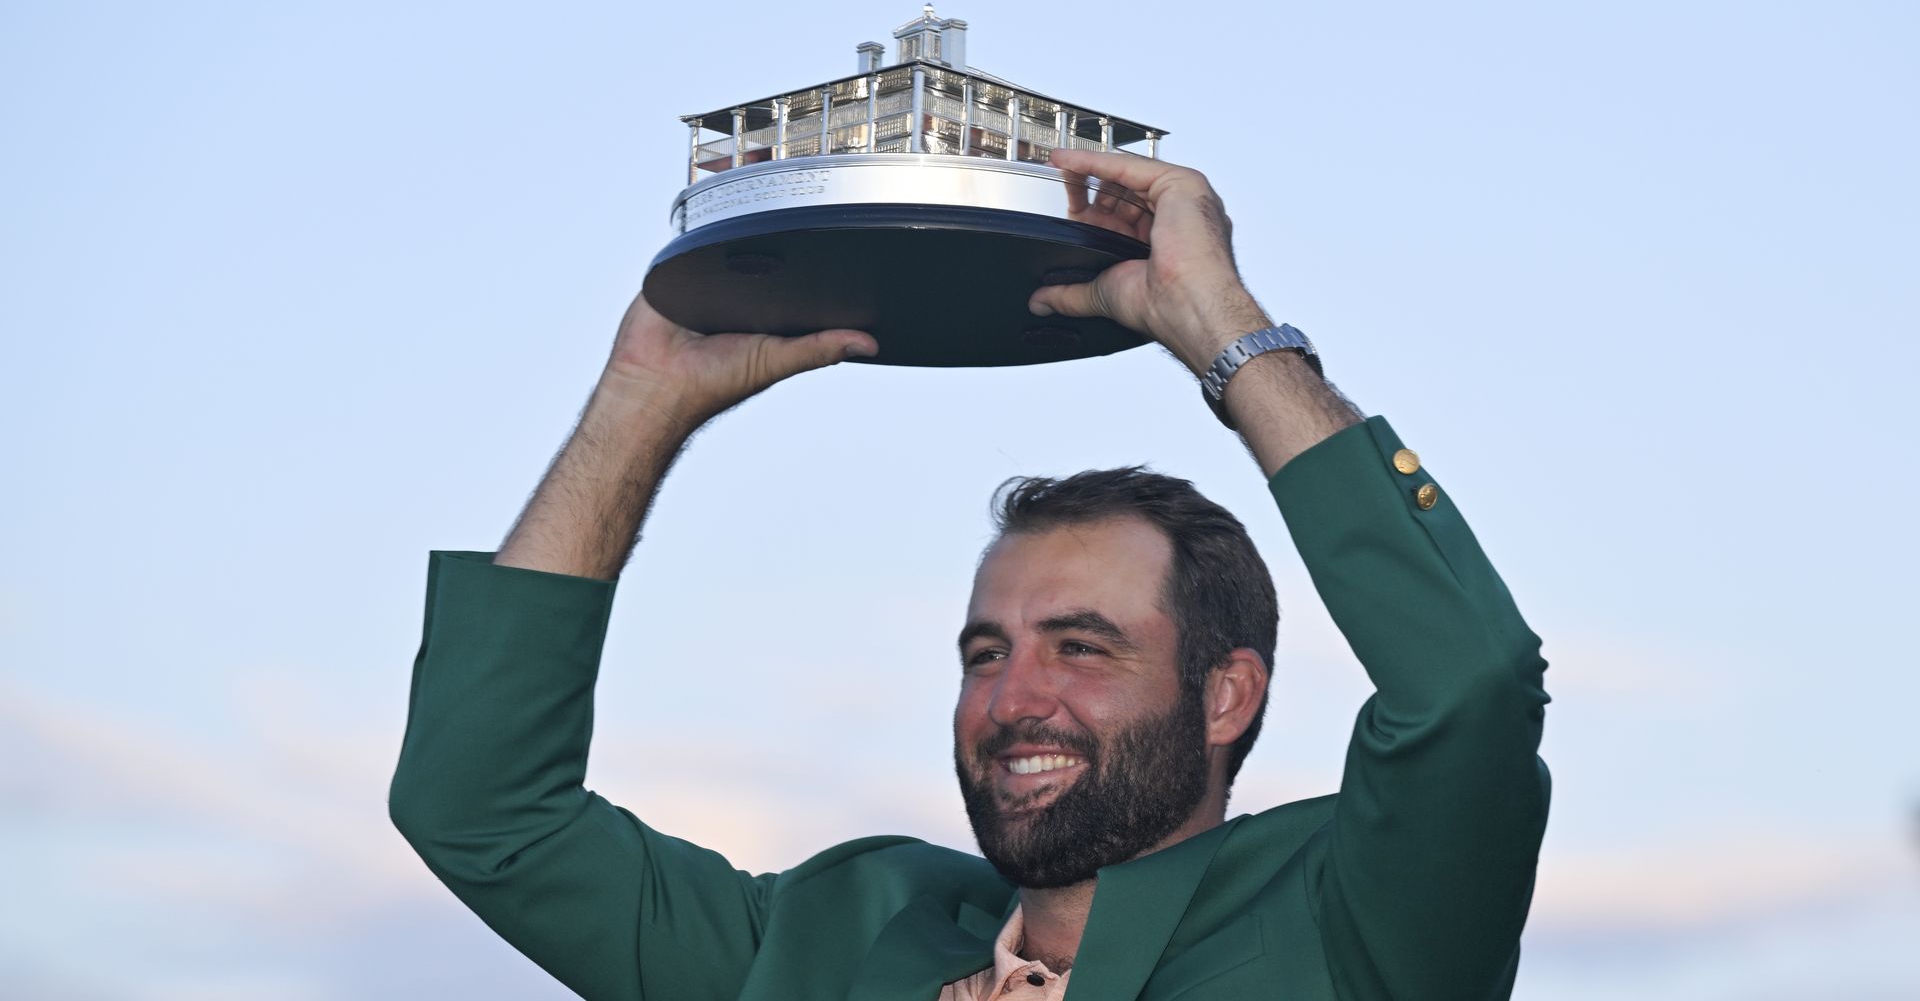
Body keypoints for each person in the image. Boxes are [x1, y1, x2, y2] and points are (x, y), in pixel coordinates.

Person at [389, 150, 1551, 1000]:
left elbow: (1469, 685)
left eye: (1081, 646)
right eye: (985, 653)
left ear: (1226, 696)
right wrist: (641, 402)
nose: (1012, 700)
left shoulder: (1355, 913)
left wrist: (1223, 328)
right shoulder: (844, 934)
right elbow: (484, 813)